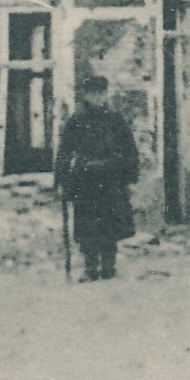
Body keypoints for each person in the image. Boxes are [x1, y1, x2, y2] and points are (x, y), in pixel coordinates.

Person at [53, 75, 140, 282]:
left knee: (111, 223)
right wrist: (60, 182)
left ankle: (109, 266)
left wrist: (129, 179)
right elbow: (64, 153)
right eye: (93, 93)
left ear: (106, 94)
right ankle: (90, 267)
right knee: (86, 225)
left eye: (101, 93)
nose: (97, 98)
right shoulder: (76, 121)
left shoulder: (115, 120)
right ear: (86, 95)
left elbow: (130, 151)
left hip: (111, 179)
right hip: (85, 180)